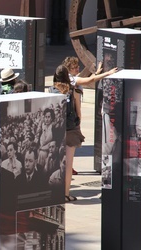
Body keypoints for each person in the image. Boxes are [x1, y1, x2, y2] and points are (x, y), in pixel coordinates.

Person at [63, 56, 117, 175]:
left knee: (72, 143)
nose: (77, 69)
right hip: (71, 116)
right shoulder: (70, 79)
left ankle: (69, 166)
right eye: (74, 68)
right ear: (68, 69)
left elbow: (88, 79)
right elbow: (88, 81)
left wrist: (98, 72)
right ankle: (67, 167)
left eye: (77, 67)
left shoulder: (72, 78)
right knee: (71, 143)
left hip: (73, 115)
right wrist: (108, 73)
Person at [51, 64, 84, 202]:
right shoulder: (73, 91)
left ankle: (55, 193)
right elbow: (78, 113)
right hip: (70, 130)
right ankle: (65, 194)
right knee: (68, 164)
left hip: (56, 131)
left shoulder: (51, 90)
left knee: (56, 163)